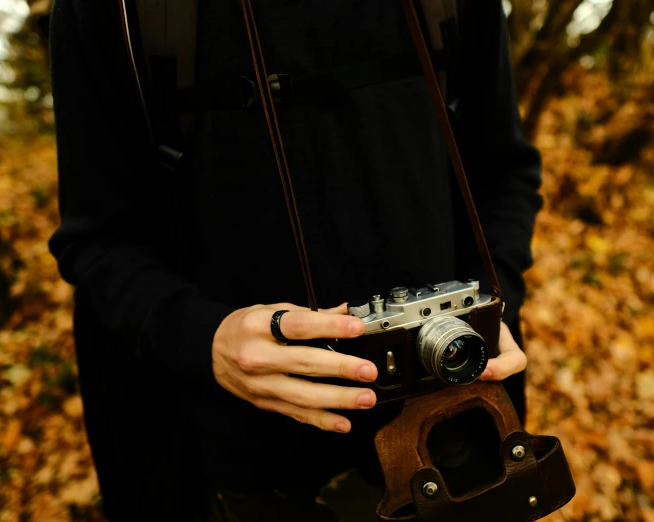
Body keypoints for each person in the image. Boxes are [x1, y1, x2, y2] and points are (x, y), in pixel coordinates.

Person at [48, 0, 542, 520]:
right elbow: (98, 240)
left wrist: (492, 299)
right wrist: (204, 339)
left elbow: (504, 171)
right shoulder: (115, 11)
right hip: (247, 473)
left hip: (464, 434)